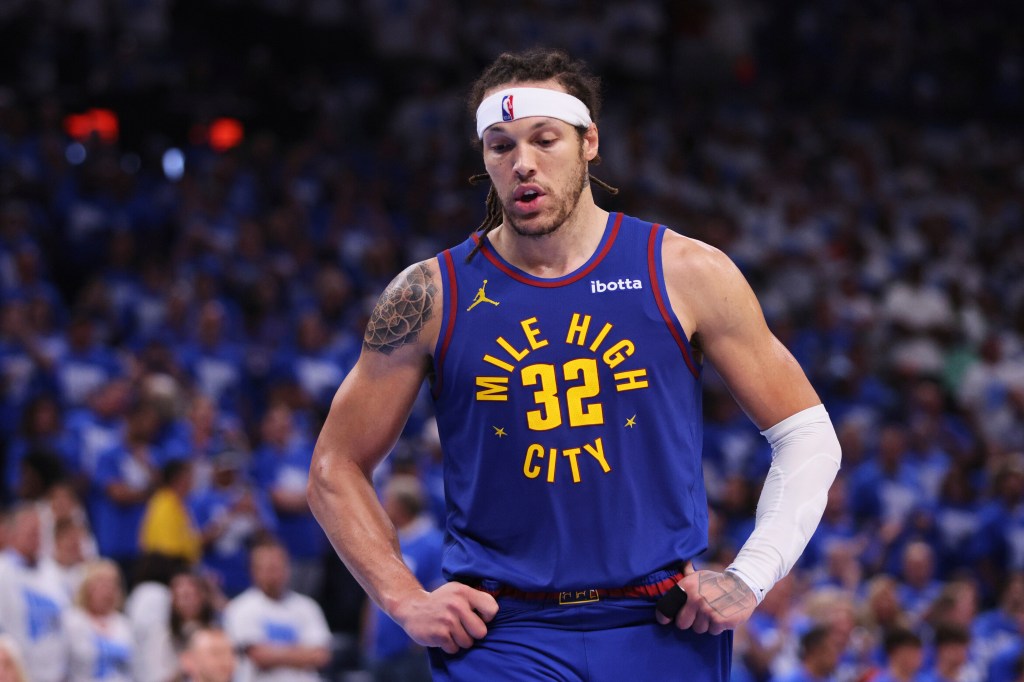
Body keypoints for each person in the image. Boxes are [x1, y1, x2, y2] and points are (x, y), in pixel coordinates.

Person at [307, 47, 842, 681]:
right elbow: (334, 467)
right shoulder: (429, 294)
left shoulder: (686, 271)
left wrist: (751, 575)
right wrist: (402, 597)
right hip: (503, 634)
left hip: (662, 624)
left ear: (590, 141)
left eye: (544, 139)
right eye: (500, 145)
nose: (523, 163)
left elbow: (807, 436)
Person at [222, 539, 331, 681]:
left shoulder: (307, 606)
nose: (272, 574)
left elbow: (321, 656)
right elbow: (258, 656)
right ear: (253, 571)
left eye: (277, 567)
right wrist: (302, 654)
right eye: (267, 568)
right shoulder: (239, 608)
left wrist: (273, 653)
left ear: (287, 568)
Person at [0, 504, 70, 682]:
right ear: (12, 533)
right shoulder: (3, 571)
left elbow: (65, 620)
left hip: (56, 673)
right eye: (30, 531)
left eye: (39, 531)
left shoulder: (53, 572)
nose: (36, 536)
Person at [63, 559, 134, 682]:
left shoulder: (124, 624)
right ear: (87, 587)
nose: (108, 590)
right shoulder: (73, 620)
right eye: (102, 583)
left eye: (113, 584)